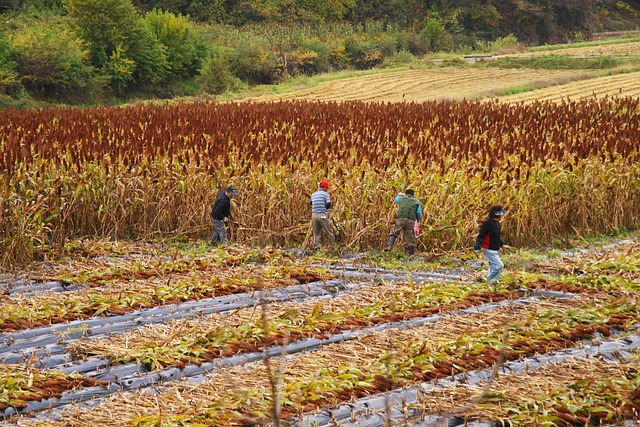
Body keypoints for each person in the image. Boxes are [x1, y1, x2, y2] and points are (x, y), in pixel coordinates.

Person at [474, 205, 508, 285]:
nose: (502, 215)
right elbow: (480, 236)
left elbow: (497, 237)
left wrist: (502, 245)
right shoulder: (487, 224)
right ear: (497, 215)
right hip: (488, 249)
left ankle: (493, 283)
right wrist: (477, 248)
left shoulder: (497, 224)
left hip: (495, 249)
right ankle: (488, 282)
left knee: (493, 266)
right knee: (499, 266)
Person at [385, 189, 422, 255]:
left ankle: (389, 247)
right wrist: (417, 220)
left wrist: (399, 194)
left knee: (394, 232)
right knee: (410, 237)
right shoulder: (416, 202)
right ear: (413, 194)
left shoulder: (402, 198)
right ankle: (411, 255)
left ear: (406, 193)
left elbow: (396, 200)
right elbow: (418, 213)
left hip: (400, 219)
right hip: (410, 221)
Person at [310, 180, 336, 251]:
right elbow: (328, 204)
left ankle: (316, 248)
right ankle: (334, 246)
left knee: (316, 232)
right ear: (324, 187)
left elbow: (311, 203)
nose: (327, 189)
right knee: (329, 231)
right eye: (326, 188)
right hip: (322, 215)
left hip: (314, 215)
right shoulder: (325, 194)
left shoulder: (313, 194)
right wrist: (324, 208)